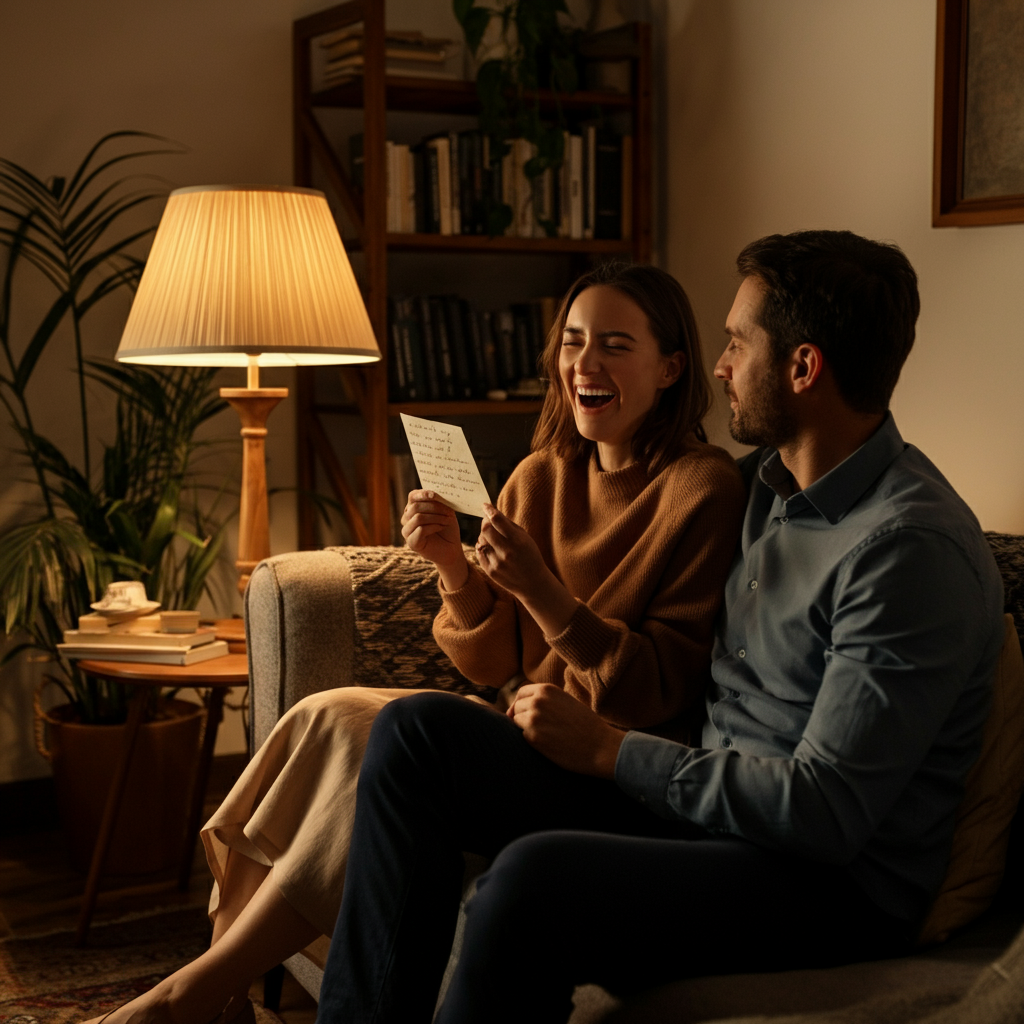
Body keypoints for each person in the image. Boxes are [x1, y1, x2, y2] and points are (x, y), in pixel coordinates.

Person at [312, 229, 1005, 1024]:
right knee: (416, 736)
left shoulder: (907, 553)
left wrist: (613, 752)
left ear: (804, 367)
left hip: (824, 880)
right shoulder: (764, 489)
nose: (721, 367)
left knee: (533, 882)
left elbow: (826, 813)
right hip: (704, 814)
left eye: (738, 344)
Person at [81, 262, 746, 1024]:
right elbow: (495, 663)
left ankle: (192, 994)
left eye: (615, 346)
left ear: (670, 368)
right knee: (327, 716)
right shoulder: (539, 477)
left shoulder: (703, 488)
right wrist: (453, 570)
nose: (584, 365)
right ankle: (215, 986)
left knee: (393, 730)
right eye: (572, 342)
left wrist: (540, 590)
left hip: (610, 763)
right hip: (519, 733)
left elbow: (655, 690)